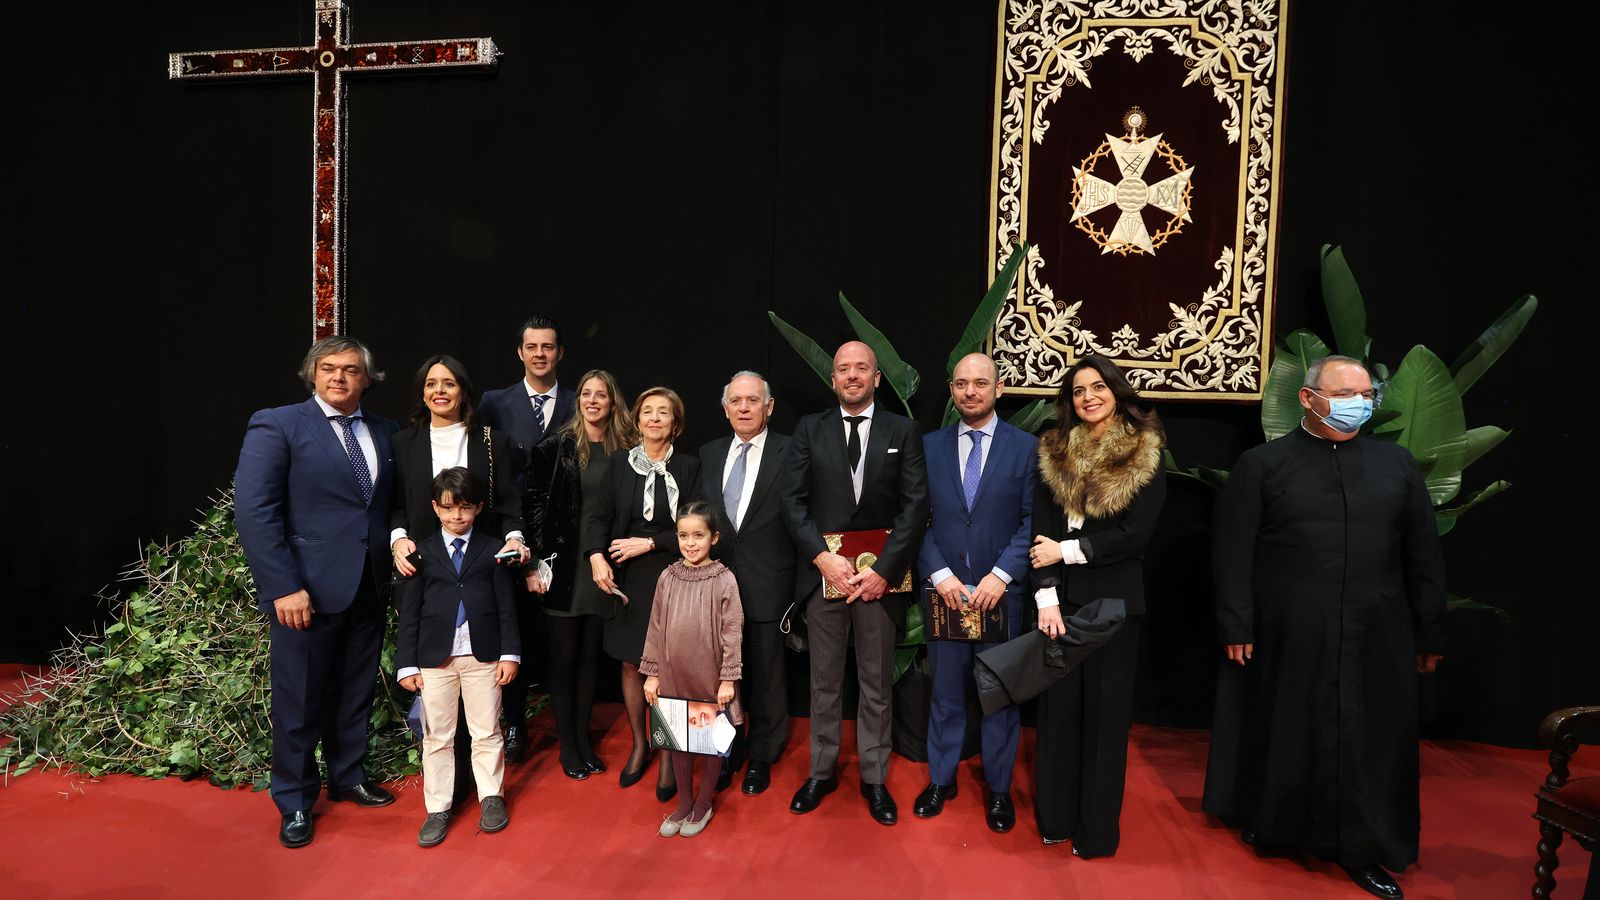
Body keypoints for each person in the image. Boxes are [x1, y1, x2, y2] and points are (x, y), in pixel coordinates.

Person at [1202, 354, 1445, 900]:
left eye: (1366, 394)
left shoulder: (1397, 465)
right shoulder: (1263, 465)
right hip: (1290, 632)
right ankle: (1279, 826)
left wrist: (1430, 635)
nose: (1358, 403)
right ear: (1309, 398)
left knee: (1370, 741)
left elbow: (1423, 557)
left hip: (1376, 635)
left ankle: (1365, 848)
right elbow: (1232, 556)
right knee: (1289, 726)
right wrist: (1235, 624)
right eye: (1345, 393)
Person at [235, 335, 399, 848]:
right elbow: (256, 512)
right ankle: (295, 799)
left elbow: (388, 507)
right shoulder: (278, 423)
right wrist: (284, 586)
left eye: (351, 370)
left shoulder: (386, 431)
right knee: (299, 699)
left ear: (366, 379)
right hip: (304, 592)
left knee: (355, 692)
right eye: (328, 368)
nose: (339, 378)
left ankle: (348, 776)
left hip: (370, 586)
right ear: (312, 374)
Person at [781, 341, 929, 826]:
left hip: (878, 583)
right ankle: (821, 772)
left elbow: (914, 508)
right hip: (825, 581)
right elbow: (793, 502)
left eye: (861, 368)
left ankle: (873, 778)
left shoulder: (902, 431)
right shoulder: (810, 429)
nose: (851, 376)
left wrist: (883, 570)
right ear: (833, 379)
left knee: (875, 685)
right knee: (823, 683)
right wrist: (823, 558)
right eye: (843, 369)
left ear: (876, 378)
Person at [1027, 353, 1165, 857]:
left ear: (1116, 391)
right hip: (1057, 604)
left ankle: (1096, 833)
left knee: (1106, 721)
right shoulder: (1052, 449)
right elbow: (1038, 529)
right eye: (1079, 390)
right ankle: (1056, 820)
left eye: (1098, 387)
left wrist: (1069, 550)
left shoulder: (1146, 450)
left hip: (1115, 605)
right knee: (1058, 717)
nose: (1089, 396)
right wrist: (1045, 594)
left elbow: (1136, 535)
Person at [387, 355, 526, 794]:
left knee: (482, 678)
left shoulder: (490, 441)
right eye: (431, 384)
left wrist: (517, 539)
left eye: (449, 383)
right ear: (422, 392)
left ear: (463, 391)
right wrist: (397, 539)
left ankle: (485, 786)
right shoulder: (403, 443)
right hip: (425, 573)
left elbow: (508, 505)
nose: (440, 391)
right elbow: (393, 504)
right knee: (438, 681)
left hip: (482, 574)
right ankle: (447, 786)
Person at [913, 353, 1037, 832]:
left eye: (980, 383)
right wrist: (939, 573)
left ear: (998, 389)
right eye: (961, 384)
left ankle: (1000, 790)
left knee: (1000, 694)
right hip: (944, 595)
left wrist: (1002, 575)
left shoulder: (1026, 448)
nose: (970, 392)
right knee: (945, 694)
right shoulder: (927, 447)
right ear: (951, 389)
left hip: (999, 595)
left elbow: (1032, 522)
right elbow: (914, 520)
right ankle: (941, 780)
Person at [584, 386, 703, 800]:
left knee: (666, 668)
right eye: (647, 411)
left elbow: (697, 528)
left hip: (673, 574)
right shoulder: (619, 464)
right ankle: (640, 744)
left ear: (676, 423)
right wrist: (596, 557)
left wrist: (649, 543)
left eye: (663, 413)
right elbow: (598, 517)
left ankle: (668, 754)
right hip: (626, 578)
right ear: (636, 420)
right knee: (632, 665)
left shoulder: (689, 467)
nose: (654, 418)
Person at [395, 468, 521, 847]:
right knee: (437, 737)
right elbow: (411, 612)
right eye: (449, 508)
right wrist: (406, 664)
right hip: (435, 661)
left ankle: (491, 797)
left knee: (487, 731)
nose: (457, 516)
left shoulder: (492, 549)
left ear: (479, 508)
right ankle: (437, 808)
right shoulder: (423, 552)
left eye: (465, 508)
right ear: (436, 508)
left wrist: (510, 654)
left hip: (483, 657)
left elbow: (505, 606)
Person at [523, 369, 633, 779]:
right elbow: (534, 507)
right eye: (585, 393)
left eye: (600, 395)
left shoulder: (628, 447)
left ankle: (584, 740)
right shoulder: (557, 446)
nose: (592, 400)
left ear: (611, 401)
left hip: (606, 566)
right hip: (563, 568)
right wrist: (533, 563)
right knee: (565, 658)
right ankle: (568, 746)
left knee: (590, 660)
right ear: (578, 400)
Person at [479, 315, 575, 760]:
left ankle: (570, 729)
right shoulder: (493, 403)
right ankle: (514, 724)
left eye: (548, 347)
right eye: (532, 346)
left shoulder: (581, 402)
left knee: (560, 639)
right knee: (510, 632)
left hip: (564, 540)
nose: (540, 354)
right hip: (508, 534)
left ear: (559, 353)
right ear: (520, 352)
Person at [697, 370, 796, 796]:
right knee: (718, 678)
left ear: (769, 407)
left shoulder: (791, 453)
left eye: (752, 400)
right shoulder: (708, 453)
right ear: (724, 408)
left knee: (768, 678)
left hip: (769, 585)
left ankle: (761, 756)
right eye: (735, 401)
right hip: (714, 590)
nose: (743, 408)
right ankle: (725, 752)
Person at [641, 501, 745, 838]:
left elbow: (733, 630)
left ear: (714, 538)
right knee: (679, 740)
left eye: (698, 535)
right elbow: (656, 627)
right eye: (684, 535)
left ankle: (703, 803)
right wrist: (653, 673)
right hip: (673, 675)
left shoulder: (724, 579)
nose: (690, 543)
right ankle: (684, 802)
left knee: (709, 740)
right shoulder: (667, 577)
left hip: (710, 677)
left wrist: (728, 678)